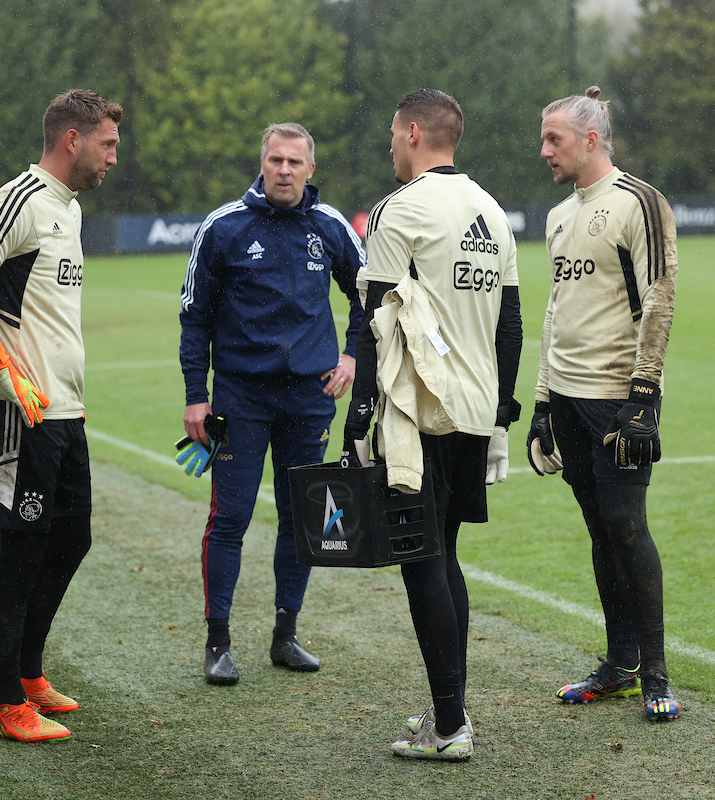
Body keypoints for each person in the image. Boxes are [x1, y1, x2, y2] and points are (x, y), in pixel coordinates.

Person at [0, 89, 122, 742]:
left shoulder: (68, 208)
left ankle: (30, 672)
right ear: (72, 139)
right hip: (18, 413)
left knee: (72, 539)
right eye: (107, 145)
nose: (113, 158)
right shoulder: (20, 199)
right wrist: (1, 367)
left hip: (63, 413)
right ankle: (6, 701)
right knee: (23, 551)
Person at [344, 89, 523, 761]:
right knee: (444, 553)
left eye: (395, 134)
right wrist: (499, 413)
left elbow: (373, 318)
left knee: (421, 559)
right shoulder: (492, 211)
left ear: (415, 132)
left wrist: (358, 418)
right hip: (474, 411)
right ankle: (452, 711)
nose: (391, 145)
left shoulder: (401, 208)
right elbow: (511, 325)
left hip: (418, 413)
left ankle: (449, 727)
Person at [179, 123, 365, 685]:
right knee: (230, 518)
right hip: (241, 398)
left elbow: (370, 294)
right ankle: (217, 642)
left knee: (300, 519)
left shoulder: (330, 226)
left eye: (294, 162)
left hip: (310, 399)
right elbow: (195, 317)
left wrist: (352, 356)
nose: (284, 170)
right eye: (276, 160)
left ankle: (286, 635)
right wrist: (196, 396)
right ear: (262, 164)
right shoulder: (224, 227)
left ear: (311, 168)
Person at [528, 86, 681, 722]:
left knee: (626, 525)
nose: (544, 151)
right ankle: (619, 664)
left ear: (590, 140)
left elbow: (660, 297)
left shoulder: (639, 201)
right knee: (598, 529)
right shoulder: (558, 216)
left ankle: (656, 674)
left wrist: (644, 394)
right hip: (567, 398)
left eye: (554, 139)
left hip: (617, 399)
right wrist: (542, 402)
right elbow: (554, 312)